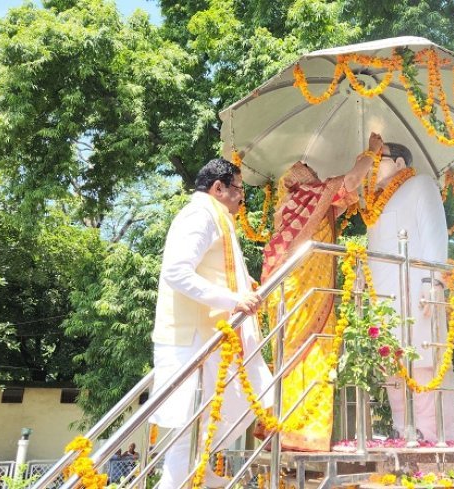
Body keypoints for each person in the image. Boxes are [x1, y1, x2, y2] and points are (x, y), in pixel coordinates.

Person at [150, 158, 273, 489]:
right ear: (218, 188)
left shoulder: (215, 217)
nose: (242, 197)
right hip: (192, 338)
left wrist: (244, 287)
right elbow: (177, 272)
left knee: (217, 412)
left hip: (209, 336)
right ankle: (184, 478)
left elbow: (216, 270)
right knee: (191, 423)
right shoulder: (200, 215)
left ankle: (198, 472)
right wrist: (233, 300)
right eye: (238, 189)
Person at [259, 133, 380, 451]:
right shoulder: (310, 196)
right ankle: (299, 432)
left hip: (293, 293)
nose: (316, 175)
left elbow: (341, 201)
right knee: (310, 353)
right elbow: (349, 182)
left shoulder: (300, 211)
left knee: (298, 355)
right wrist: (371, 152)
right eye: (310, 172)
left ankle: (290, 430)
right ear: (301, 180)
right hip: (303, 291)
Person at [366, 142, 454, 442]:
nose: (371, 167)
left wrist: (434, 281)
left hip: (418, 293)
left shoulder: (421, 185)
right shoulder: (375, 207)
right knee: (393, 369)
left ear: (399, 163)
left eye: (378, 160)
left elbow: (434, 234)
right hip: (384, 301)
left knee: (425, 364)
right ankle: (402, 431)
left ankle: (434, 437)